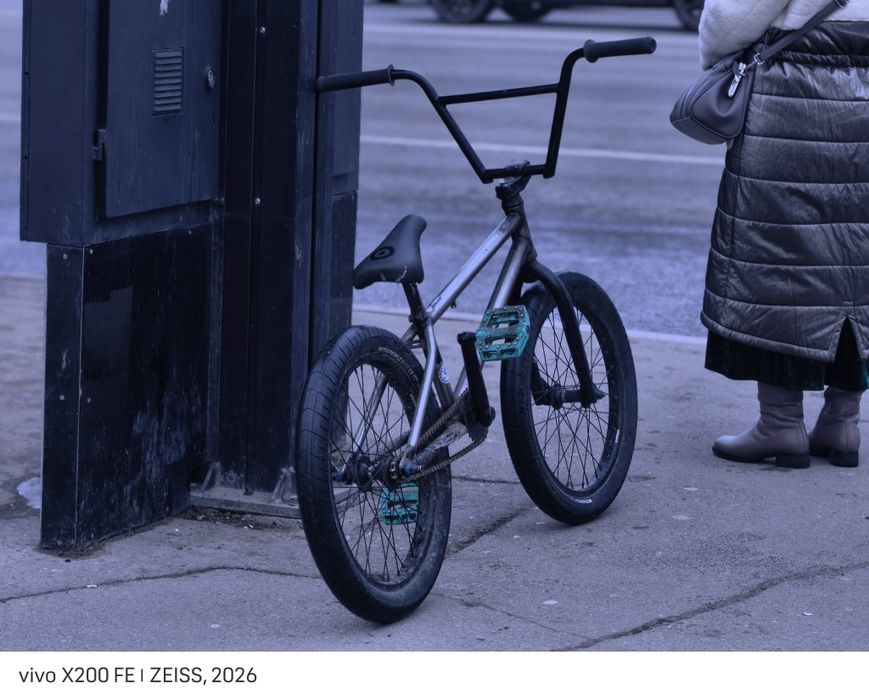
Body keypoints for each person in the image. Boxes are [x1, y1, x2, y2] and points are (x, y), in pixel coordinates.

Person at [697, 0, 869, 468]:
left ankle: (780, 424)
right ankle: (843, 422)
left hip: (795, 98)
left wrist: (711, 46)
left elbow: (732, 21)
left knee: (778, 262)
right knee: (856, 265)